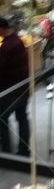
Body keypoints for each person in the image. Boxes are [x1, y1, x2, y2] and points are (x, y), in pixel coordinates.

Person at [0, 17, 30, 156]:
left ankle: (6, 152)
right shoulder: (17, 40)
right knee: (22, 118)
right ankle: (24, 150)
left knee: (2, 119)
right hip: (23, 88)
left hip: (10, 92)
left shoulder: (6, 47)